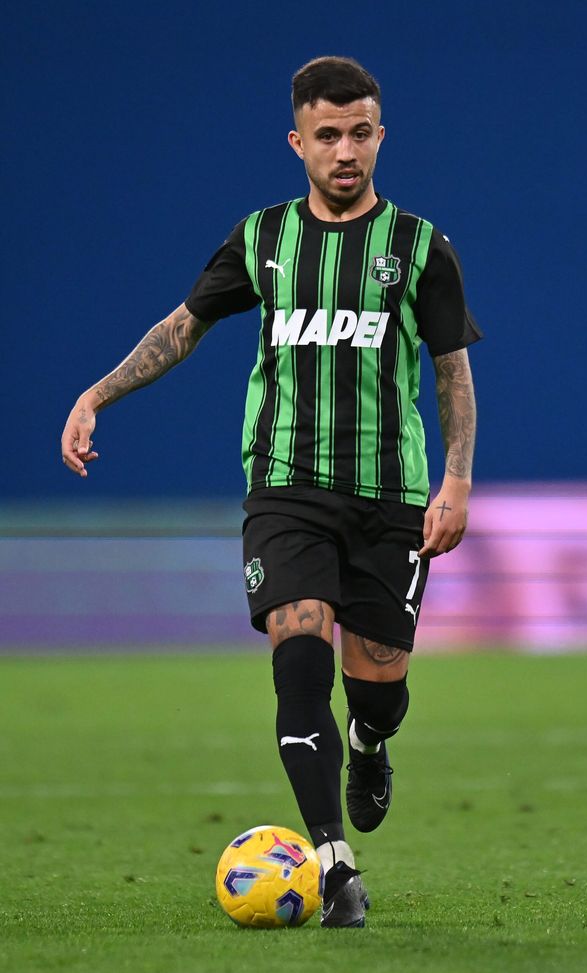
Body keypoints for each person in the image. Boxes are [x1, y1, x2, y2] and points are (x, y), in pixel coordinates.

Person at [61, 56, 481, 928]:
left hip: (390, 497)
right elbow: (183, 327)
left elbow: (450, 372)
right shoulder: (261, 239)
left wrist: (455, 480)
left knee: (378, 686)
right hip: (285, 488)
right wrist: (96, 394)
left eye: (359, 132)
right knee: (298, 659)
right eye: (326, 135)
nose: (344, 150)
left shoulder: (418, 247)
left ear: (379, 136)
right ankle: (334, 863)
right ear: (298, 142)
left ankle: (369, 742)